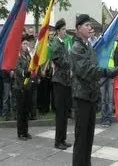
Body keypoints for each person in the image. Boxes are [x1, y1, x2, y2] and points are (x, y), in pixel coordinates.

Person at [70, 14, 117, 166]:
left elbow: (94, 69)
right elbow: (87, 71)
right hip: (82, 98)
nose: (90, 27)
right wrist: (105, 72)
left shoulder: (88, 46)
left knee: (89, 138)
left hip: (90, 96)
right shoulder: (77, 48)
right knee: (81, 139)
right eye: (87, 25)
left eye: (91, 25)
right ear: (78, 29)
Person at [51, 19, 72, 150]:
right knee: (60, 113)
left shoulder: (63, 44)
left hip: (65, 81)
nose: (65, 32)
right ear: (58, 31)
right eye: (63, 29)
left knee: (64, 112)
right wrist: (72, 62)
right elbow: (60, 60)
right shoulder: (55, 44)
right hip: (59, 81)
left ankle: (63, 139)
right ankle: (58, 141)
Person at [13, 35, 32, 141]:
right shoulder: (17, 55)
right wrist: (25, 72)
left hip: (27, 85)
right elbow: (17, 69)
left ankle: (26, 131)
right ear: (20, 44)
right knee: (21, 111)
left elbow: (31, 65)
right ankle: (20, 132)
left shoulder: (27, 54)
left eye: (26, 43)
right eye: (24, 43)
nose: (26, 45)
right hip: (19, 86)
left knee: (26, 110)